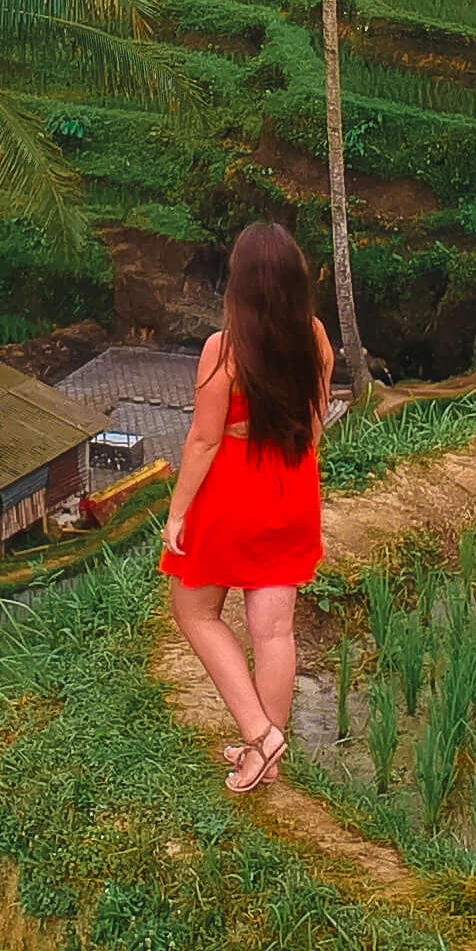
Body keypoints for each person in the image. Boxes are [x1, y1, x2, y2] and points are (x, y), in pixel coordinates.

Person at [160, 221, 335, 794]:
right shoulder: (315, 337)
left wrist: (178, 512)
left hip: (236, 490)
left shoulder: (225, 347)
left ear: (239, 283)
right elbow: (313, 426)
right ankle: (269, 757)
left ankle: (260, 733)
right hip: (291, 488)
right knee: (273, 631)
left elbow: (204, 440)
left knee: (194, 611)